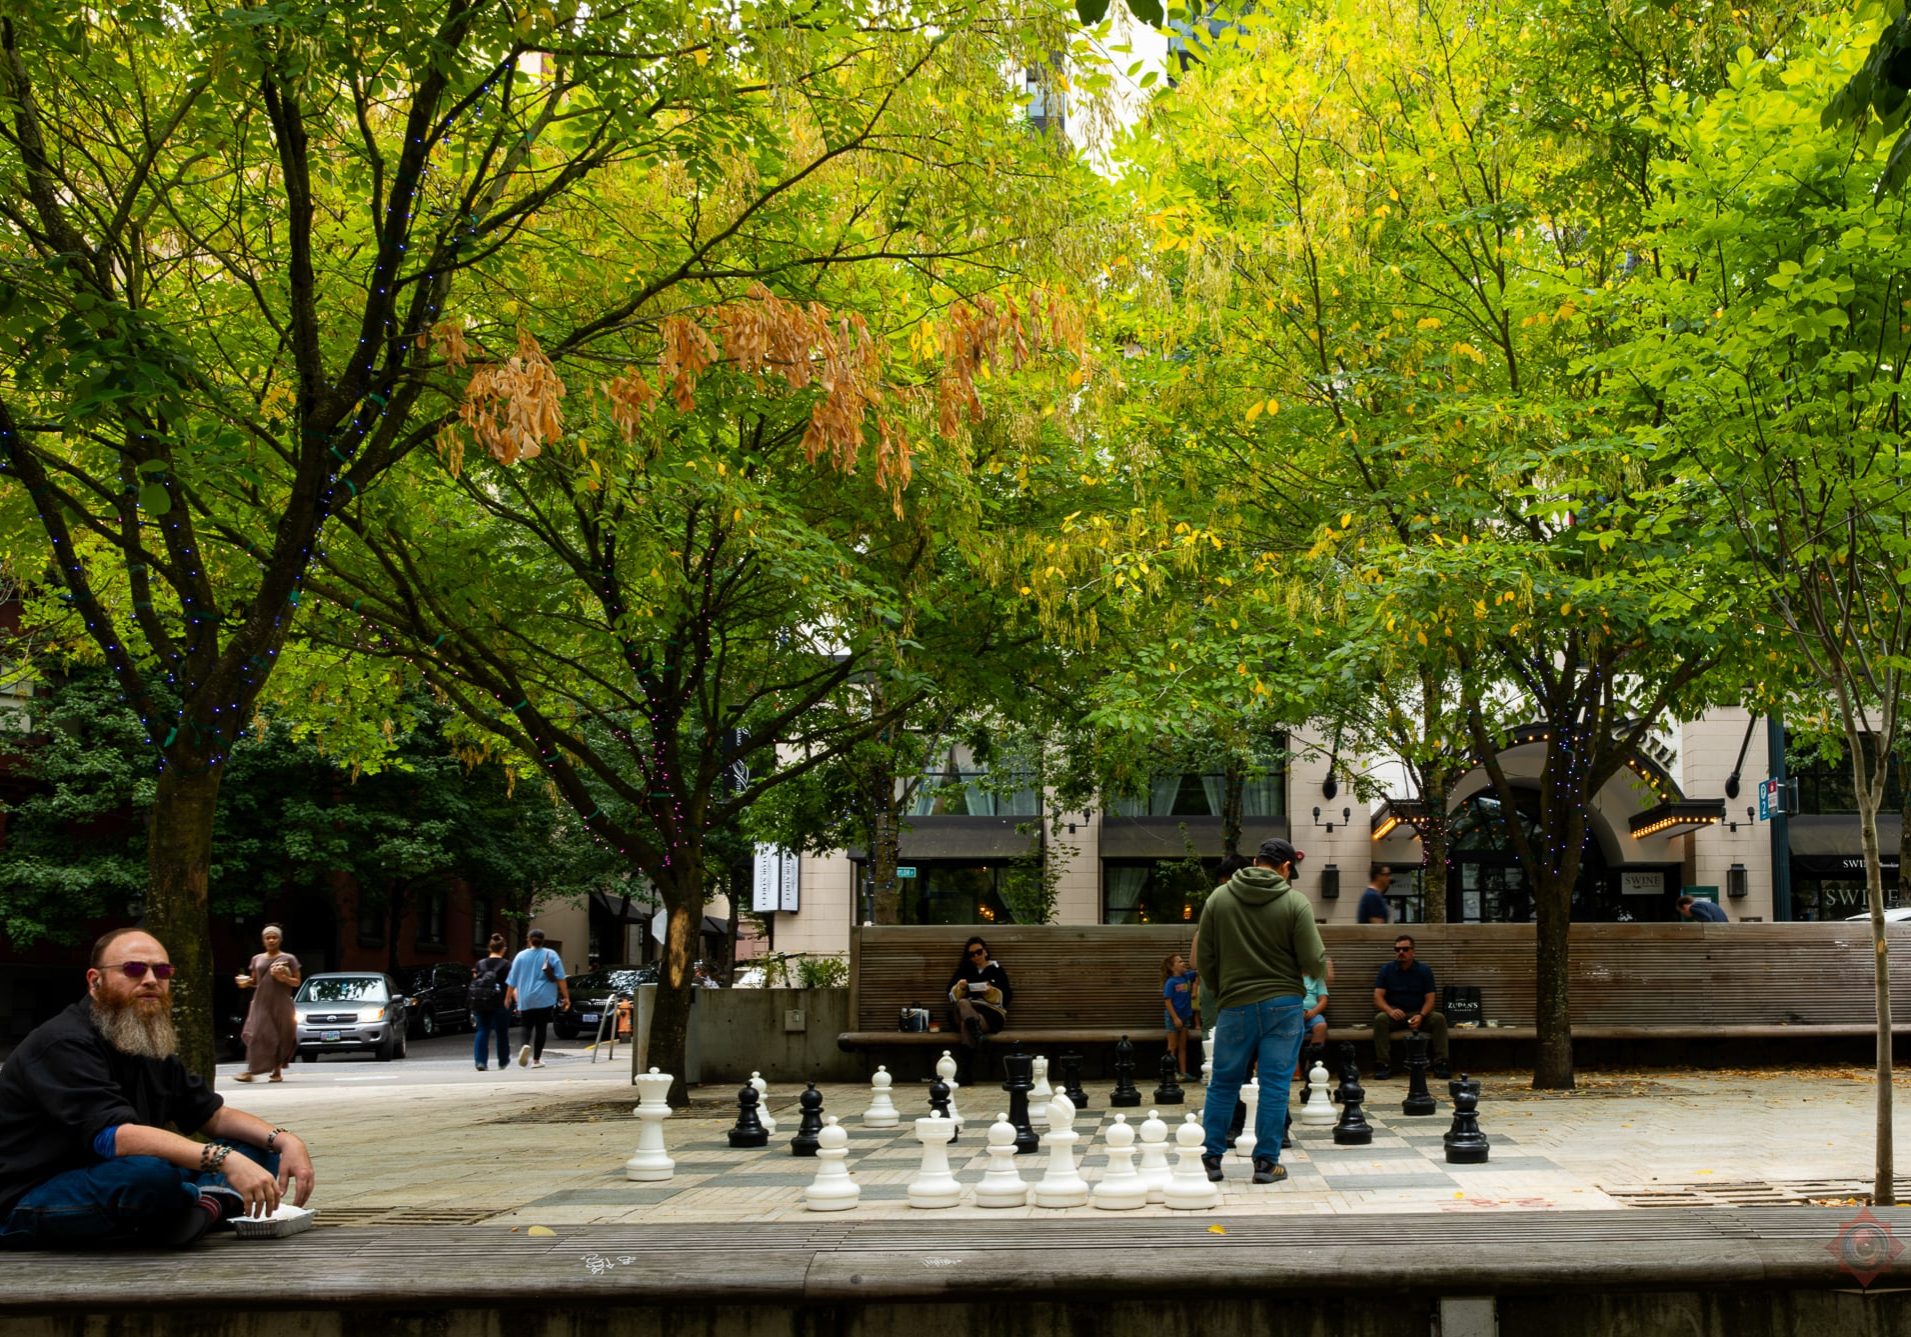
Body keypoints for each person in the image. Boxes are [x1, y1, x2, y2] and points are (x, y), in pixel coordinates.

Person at [0, 928, 317, 1249]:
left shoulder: (143, 1037)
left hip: (117, 1178)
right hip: (30, 1193)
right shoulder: (65, 1042)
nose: (151, 979)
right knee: (149, 1177)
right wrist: (224, 1160)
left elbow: (212, 1114)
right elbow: (114, 1138)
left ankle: (197, 1208)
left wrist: (285, 1139)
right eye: (134, 969)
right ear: (95, 981)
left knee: (255, 1149)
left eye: (162, 970)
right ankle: (204, 1202)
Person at [1196, 837, 1328, 1186]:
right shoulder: (1294, 901)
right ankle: (1266, 1164)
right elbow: (1314, 959)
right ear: (1286, 868)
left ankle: (1211, 1159)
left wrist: (1224, 991)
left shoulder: (1218, 899)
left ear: (1255, 860)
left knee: (1223, 1083)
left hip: (1235, 1004)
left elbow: (1204, 960)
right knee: (1274, 1086)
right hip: (1284, 1006)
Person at [1371, 934, 1450, 1080]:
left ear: (1413, 951)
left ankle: (1441, 1063)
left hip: (1419, 1013)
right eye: (1397, 949)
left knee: (1439, 1019)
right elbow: (1377, 997)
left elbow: (1431, 998)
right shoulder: (1386, 970)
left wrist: (1421, 1015)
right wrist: (1390, 1010)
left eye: (1405, 949)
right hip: (1396, 1014)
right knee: (1380, 1019)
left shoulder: (1424, 970)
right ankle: (1383, 1065)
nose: (1401, 952)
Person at [234, 924, 300, 1083]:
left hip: (281, 1003)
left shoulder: (288, 959)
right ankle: (252, 1070)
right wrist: (245, 982)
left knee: (280, 1036)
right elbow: (255, 981)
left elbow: (297, 982)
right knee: (258, 1034)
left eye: (274, 937)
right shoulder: (256, 959)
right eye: (268, 937)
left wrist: (284, 978)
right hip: (261, 1002)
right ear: (263, 940)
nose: (271, 940)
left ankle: (276, 1071)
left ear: (280, 939)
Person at [945, 935, 1012, 1082]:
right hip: (966, 1009)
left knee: (966, 1024)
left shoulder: (997, 970)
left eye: (979, 952)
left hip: (989, 1015)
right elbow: (951, 995)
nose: (976, 956)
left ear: (985, 951)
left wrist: (990, 991)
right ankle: (979, 1037)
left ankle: (965, 1073)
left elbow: (1006, 997)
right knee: (963, 1003)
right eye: (972, 954)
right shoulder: (964, 970)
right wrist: (960, 987)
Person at [504, 928, 570, 1068]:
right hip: (545, 997)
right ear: (543, 940)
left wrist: (508, 997)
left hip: (525, 997)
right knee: (541, 1027)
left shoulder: (520, 956)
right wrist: (566, 997)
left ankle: (524, 1045)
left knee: (526, 1025)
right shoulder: (551, 954)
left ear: (529, 940)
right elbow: (560, 978)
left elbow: (512, 980)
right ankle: (536, 1060)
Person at [470, 933, 512, 1071]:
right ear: (503, 949)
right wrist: (511, 999)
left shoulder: (480, 963)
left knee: (482, 1030)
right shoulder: (507, 965)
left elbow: (475, 979)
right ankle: (503, 1061)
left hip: (481, 1001)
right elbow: (511, 984)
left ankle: (480, 1061)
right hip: (501, 1001)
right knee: (502, 1032)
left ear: (489, 948)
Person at [1161, 952, 1199, 1079]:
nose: (1183, 963)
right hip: (1174, 1017)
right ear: (1172, 967)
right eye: (1180, 961)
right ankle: (1170, 1072)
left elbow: (1199, 972)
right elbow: (1168, 1001)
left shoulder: (1187, 977)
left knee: (1183, 1046)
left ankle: (1183, 1073)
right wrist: (1175, 1018)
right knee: (1172, 1046)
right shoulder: (1171, 982)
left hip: (1185, 1016)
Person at [1297, 958, 1333, 1076]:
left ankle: (1312, 1063)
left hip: (1313, 1014)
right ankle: (1294, 1067)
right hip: (1293, 1014)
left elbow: (1323, 1000)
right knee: (1290, 1029)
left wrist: (1313, 1012)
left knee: (1321, 1026)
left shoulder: (1317, 978)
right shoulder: (1291, 978)